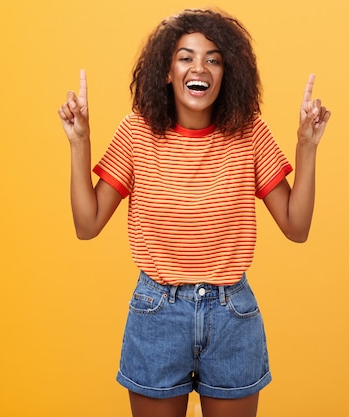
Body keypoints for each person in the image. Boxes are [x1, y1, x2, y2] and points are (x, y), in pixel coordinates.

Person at [58, 8, 330, 417]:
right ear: (166, 71)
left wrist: (306, 146)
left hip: (232, 316)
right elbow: (87, 224)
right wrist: (80, 141)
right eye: (185, 57)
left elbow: (297, 227)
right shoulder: (136, 132)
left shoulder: (249, 133)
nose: (198, 67)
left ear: (226, 74)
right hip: (157, 314)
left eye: (213, 59)